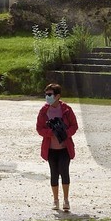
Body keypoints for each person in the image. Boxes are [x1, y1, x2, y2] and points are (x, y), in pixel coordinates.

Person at [36, 82, 79, 213]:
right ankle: (56, 200)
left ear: (58, 96)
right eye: (46, 94)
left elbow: (74, 126)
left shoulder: (67, 109)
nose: (47, 97)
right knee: (54, 173)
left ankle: (66, 200)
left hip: (64, 148)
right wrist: (51, 132)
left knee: (64, 171)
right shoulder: (44, 110)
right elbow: (39, 129)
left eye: (50, 94)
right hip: (50, 149)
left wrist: (64, 133)